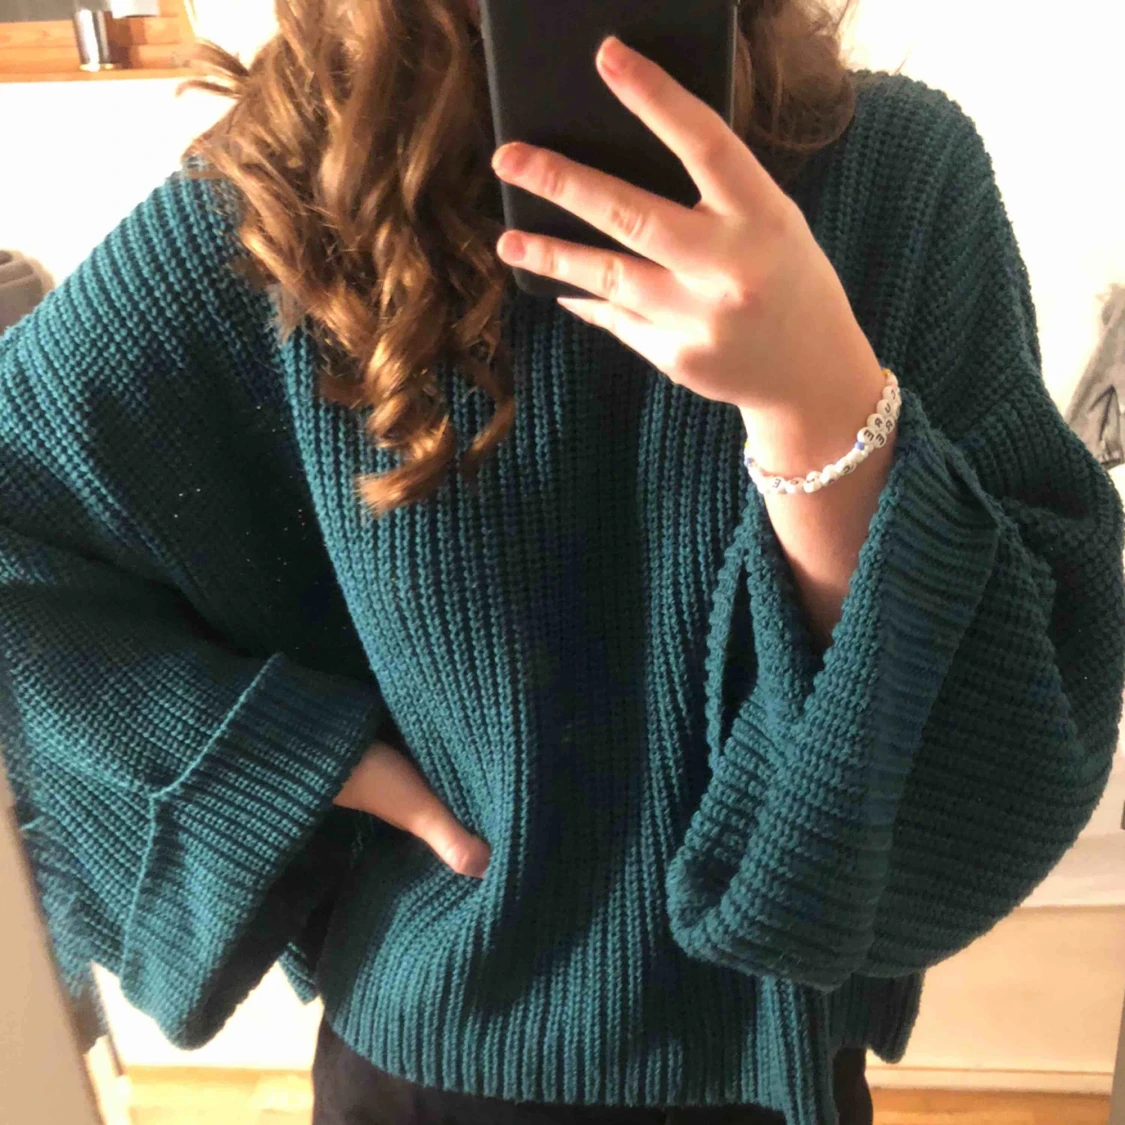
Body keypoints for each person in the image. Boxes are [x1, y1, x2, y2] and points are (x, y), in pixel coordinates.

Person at [0, 1, 1121, 1124]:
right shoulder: (290, 195)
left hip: (763, 1059)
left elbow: (1035, 688)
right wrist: (280, 757)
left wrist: (821, 407)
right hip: (431, 1059)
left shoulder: (898, 175)